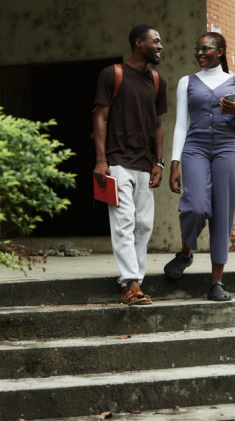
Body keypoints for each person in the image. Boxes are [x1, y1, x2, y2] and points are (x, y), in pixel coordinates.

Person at [163, 32, 235, 302]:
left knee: (222, 214)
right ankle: (185, 252)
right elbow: (181, 124)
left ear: (221, 51)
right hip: (196, 148)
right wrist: (174, 162)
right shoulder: (186, 82)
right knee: (195, 205)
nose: (200, 52)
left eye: (206, 48)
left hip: (228, 150)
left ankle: (216, 282)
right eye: (197, 48)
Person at [93, 25, 168, 306]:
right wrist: (101, 161)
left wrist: (158, 162)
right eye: (155, 41)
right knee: (124, 222)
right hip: (117, 162)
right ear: (139, 43)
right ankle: (131, 283)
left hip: (145, 164)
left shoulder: (158, 81)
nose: (160, 46)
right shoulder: (113, 74)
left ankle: (136, 280)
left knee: (144, 225)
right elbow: (99, 117)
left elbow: (158, 126)